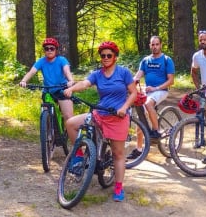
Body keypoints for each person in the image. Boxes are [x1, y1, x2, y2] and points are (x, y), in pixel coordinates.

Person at [63, 41, 138, 202]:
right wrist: (71, 89)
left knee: (118, 154)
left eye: (109, 55)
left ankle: (118, 187)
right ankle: (78, 156)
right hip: (100, 114)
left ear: (115, 57)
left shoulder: (123, 73)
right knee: (71, 124)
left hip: (118, 117)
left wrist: (124, 107)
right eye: (103, 55)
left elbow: (133, 93)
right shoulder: (98, 74)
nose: (105, 58)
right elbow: (85, 83)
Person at [131, 35, 176, 158]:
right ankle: (139, 149)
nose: (155, 47)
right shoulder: (146, 60)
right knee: (141, 118)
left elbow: (171, 81)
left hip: (161, 90)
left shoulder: (167, 60)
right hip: (148, 91)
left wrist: (156, 88)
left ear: (161, 45)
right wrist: (131, 82)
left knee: (148, 103)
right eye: (153, 44)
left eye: (157, 44)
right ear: (150, 46)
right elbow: (138, 76)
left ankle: (156, 132)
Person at [18, 37, 75, 122]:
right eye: (46, 48)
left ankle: (68, 133)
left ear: (56, 50)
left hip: (62, 90)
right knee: (46, 115)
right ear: (44, 51)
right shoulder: (41, 61)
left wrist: (70, 80)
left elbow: (67, 71)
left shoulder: (61, 60)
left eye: (52, 48)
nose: (49, 50)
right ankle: (48, 133)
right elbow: (32, 72)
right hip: (48, 91)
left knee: (68, 117)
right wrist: (23, 81)